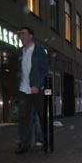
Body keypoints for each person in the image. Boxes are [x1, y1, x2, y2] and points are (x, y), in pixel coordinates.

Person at [15, 26, 48, 154]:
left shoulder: (39, 51)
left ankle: (46, 141)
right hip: (23, 89)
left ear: (30, 36)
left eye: (23, 34)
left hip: (36, 90)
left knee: (41, 116)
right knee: (23, 118)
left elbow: (44, 70)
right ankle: (24, 144)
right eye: (20, 34)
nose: (21, 36)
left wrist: (37, 85)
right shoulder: (20, 52)